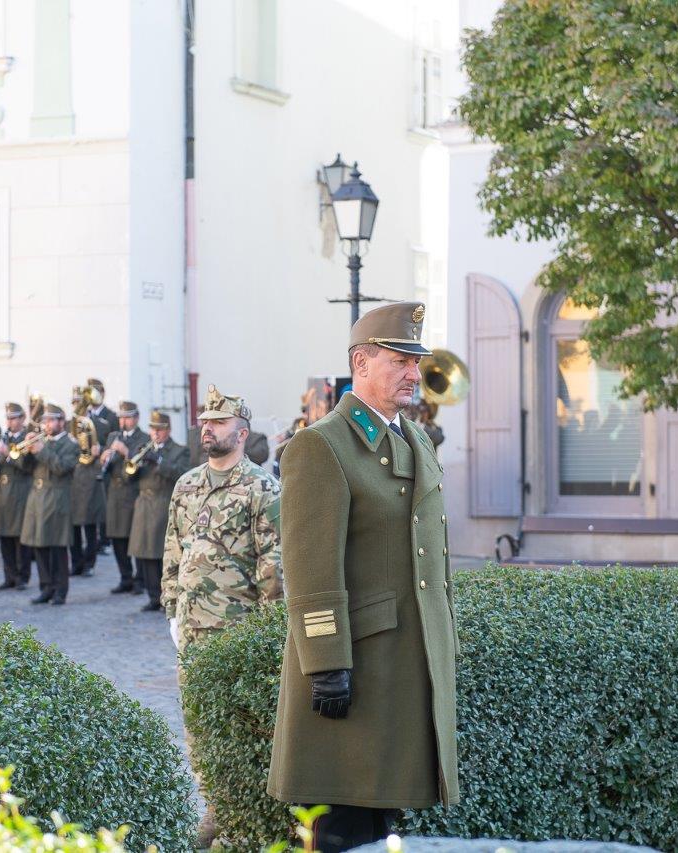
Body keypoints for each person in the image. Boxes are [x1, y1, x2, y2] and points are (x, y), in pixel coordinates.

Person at [267, 302, 459, 853]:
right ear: (361, 363)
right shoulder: (322, 445)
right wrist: (327, 664)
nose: (412, 374)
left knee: (383, 829)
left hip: (402, 664)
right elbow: (311, 567)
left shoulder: (412, 438)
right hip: (355, 671)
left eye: (414, 362)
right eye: (399, 361)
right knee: (341, 827)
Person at [163, 384, 283, 848]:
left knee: (238, 724)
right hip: (191, 631)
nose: (207, 428)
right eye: (204, 421)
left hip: (239, 629)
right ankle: (214, 810)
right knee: (196, 725)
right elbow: (173, 548)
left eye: (218, 422)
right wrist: (171, 606)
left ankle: (235, 820)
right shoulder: (187, 483)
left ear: (242, 432)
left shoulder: (261, 487)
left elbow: (274, 564)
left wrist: (269, 632)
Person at [128, 411, 191, 612]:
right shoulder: (145, 449)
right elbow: (129, 478)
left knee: (162, 554)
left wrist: (160, 462)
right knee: (144, 553)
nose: (155, 433)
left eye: (159, 429)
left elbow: (181, 474)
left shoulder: (180, 450)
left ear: (168, 430)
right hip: (143, 505)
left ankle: (168, 598)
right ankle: (153, 596)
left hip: (164, 503)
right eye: (153, 429)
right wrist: (135, 463)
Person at [21, 403, 79, 606]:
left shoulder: (71, 445)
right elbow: (24, 468)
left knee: (57, 547)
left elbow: (61, 468)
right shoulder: (41, 441)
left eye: (50, 420)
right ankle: (45, 587)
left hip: (57, 499)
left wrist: (41, 450)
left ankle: (60, 591)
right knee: (39, 546)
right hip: (36, 498)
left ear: (61, 422)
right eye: (45, 420)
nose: (46, 424)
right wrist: (27, 452)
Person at [100, 401, 150, 594]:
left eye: (127, 417)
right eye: (121, 417)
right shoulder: (113, 436)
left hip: (132, 494)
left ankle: (140, 580)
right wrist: (104, 458)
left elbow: (139, 470)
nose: (123, 421)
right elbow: (106, 466)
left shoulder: (144, 438)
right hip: (114, 495)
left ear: (136, 418)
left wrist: (126, 452)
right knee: (118, 541)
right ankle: (125, 577)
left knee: (135, 540)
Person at [0, 402, 36, 590]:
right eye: (8, 418)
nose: (10, 422)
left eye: (14, 418)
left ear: (22, 419)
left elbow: (27, 466)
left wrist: (9, 453)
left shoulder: (28, 438)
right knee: (5, 537)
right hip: (2, 492)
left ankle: (22, 577)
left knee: (20, 538)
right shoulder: (1, 438)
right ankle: (9, 576)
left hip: (20, 492)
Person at [70, 383, 107, 577]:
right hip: (74, 476)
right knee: (74, 525)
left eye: (80, 402)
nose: (78, 406)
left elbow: (106, 442)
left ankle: (89, 563)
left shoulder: (99, 424)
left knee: (90, 524)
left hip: (91, 475)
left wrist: (99, 449)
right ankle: (76, 563)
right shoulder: (71, 423)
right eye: (75, 402)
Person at [86, 378, 119, 555]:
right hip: (86, 465)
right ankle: (92, 541)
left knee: (103, 501)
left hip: (103, 463)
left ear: (103, 394)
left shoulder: (111, 416)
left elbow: (114, 437)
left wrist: (104, 450)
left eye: (95, 393)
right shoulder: (84, 414)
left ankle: (105, 540)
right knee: (90, 502)